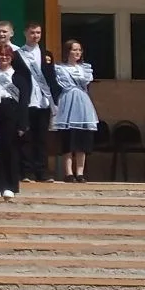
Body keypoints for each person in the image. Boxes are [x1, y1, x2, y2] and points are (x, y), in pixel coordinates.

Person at [52, 39, 99, 183]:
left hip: (83, 102)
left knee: (82, 137)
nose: (77, 52)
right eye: (74, 49)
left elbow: (87, 86)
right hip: (67, 100)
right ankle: (68, 173)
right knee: (68, 138)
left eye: (79, 50)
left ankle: (80, 172)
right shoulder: (60, 68)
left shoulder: (85, 68)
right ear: (67, 51)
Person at [0, 45, 29, 199]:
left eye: (7, 55)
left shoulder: (19, 77)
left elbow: (24, 102)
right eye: (1, 55)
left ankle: (10, 185)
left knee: (11, 151)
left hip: (13, 113)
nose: (4, 58)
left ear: (12, 58)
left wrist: (22, 124)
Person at [17, 23, 54, 182]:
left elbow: (51, 77)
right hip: (27, 100)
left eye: (38, 32)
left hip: (43, 101)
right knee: (26, 137)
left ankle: (42, 171)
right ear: (25, 33)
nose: (35, 36)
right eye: (32, 32)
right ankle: (27, 171)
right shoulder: (18, 55)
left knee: (42, 138)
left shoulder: (47, 54)